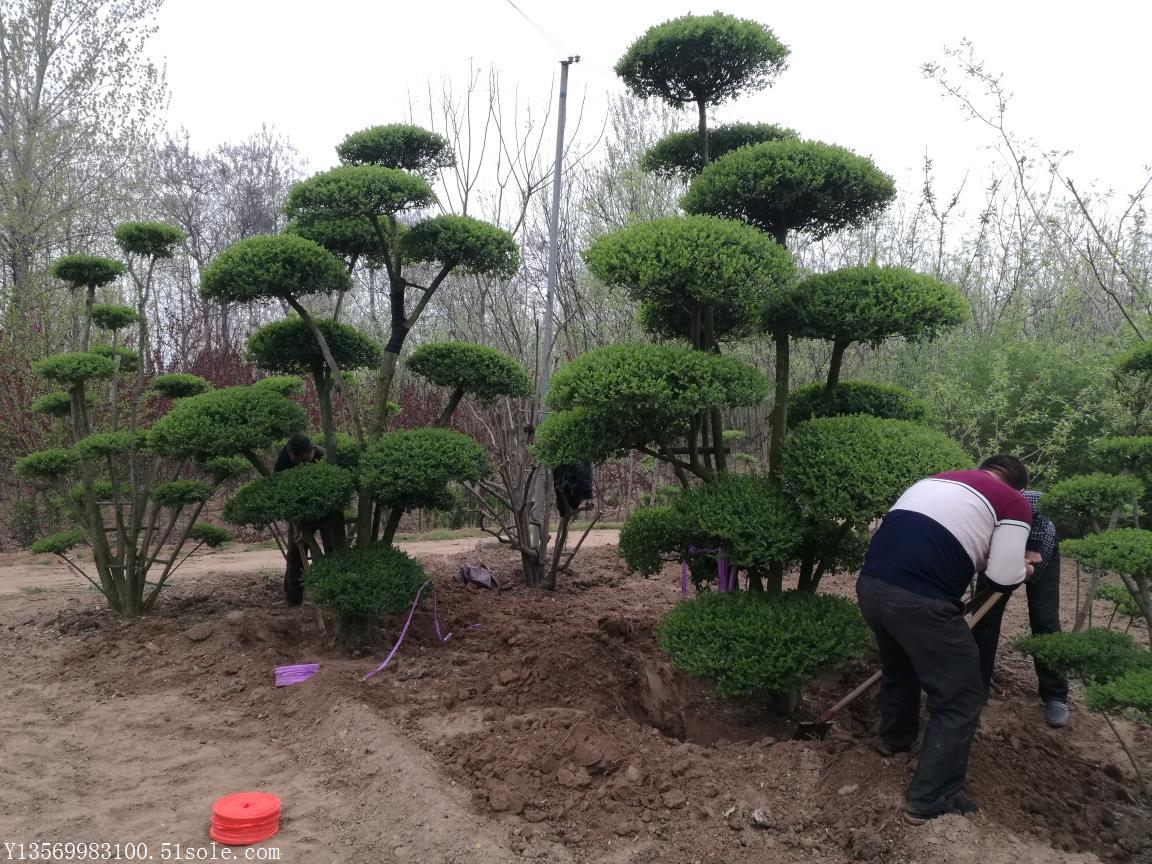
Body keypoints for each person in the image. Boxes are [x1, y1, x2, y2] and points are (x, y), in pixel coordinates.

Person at [856, 455, 1034, 824]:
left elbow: (951, 537)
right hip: (920, 601)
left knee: (900, 666)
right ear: (1017, 486)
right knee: (961, 696)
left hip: (871, 586)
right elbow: (1002, 577)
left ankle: (895, 737)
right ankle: (930, 798)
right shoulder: (1013, 501)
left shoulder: (937, 479)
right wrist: (1025, 567)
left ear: (983, 469)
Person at [971, 489, 1070, 727]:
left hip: (1041, 554)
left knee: (1044, 620)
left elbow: (1039, 506)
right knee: (984, 622)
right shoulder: (972, 504)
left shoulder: (1023, 496)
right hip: (998, 557)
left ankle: (1055, 695)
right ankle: (976, 690)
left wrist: (1031, 547)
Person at [274, 433, 330, 606]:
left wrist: (311, 526)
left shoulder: (324, 457)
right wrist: (299, 524)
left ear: (310, 450)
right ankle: (293, 597)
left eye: (302, 459)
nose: (298, 463)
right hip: (298, 512)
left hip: (327, 510)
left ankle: (332, 595)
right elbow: (278, 489)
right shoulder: (285, 458)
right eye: (295, 460)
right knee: (295, 554)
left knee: (332, 550)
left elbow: (332, 493)